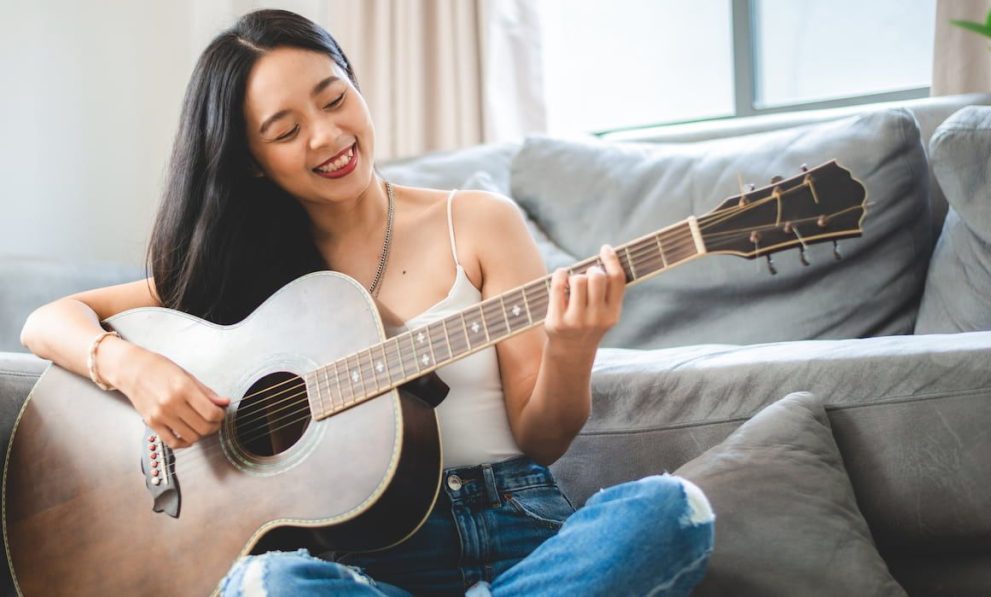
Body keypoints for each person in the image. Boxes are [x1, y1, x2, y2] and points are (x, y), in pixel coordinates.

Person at [19, 9, 714, 596]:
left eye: (333, 97)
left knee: (670, 511)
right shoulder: (242, 272)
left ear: (357, 86)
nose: (327, 135)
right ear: (253, 160)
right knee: (270, 585)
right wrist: (132, 368)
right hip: (362, 561)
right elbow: (47, 321)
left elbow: (542, 436)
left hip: (519, 527)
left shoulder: (475, 221)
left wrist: (572, 345)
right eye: (286, 131)